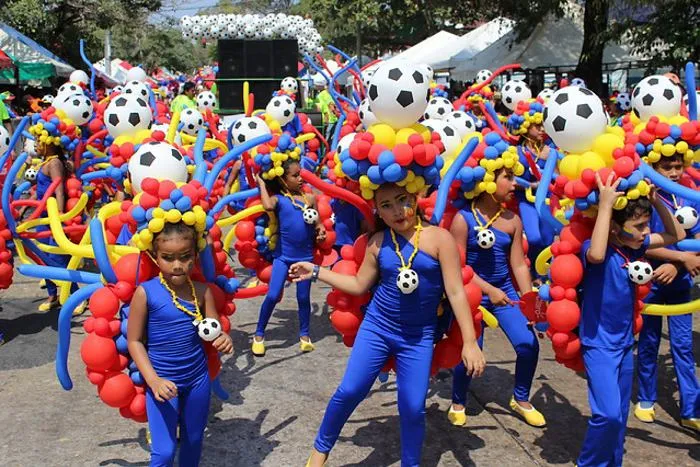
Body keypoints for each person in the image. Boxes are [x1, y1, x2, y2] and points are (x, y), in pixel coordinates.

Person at [290, 183, 485, 467]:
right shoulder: (378, 241)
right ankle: (320, 451)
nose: (397, 210)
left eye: (402, 199)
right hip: (377, 329)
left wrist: (469, 342)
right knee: (350, 391)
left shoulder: (440, 239)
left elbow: (456, 292)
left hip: (418, 338)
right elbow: (358, 285)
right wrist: (317, 271)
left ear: (416, 197)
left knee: (413, 408)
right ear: (377, 210)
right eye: (386, 205)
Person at [576, 173, 684, 467]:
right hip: (598, 345)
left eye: (646, 225)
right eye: (639, 226)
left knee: (620, 418)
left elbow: (677, 237)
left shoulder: (633, 246)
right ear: (613, 228)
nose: (645, 231)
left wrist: (656, 202)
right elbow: (597, 254)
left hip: (624, 345)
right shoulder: (594, 247)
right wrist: (607, 205)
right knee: (607, 414)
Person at [127, 221, 233, 467]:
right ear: (155, 257)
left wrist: (223, 340)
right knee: (164, 452)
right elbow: (134, 341)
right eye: (167, 258)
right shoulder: (146, 293)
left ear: (195, 256)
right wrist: (153, 381)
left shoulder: (203, 291)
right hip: (162, 382)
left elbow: (213, 331)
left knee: (193, 442)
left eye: (185, 257)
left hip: (197, 380)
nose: (177, 265)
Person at [448, 165, 543, 427]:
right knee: (469, 350)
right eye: (508, 178)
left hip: (505, 292)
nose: (515, 184)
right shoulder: (463, 219)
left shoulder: (513, 219)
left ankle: (521, 398)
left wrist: (529, 302)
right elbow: (458, 267)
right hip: (471, 293)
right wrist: (488, 290)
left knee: (528, 345)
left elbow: (520, 265)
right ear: (488, 180)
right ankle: (458, 400)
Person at [634, 153, 700, 432]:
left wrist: (683, 262)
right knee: (648, 343)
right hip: (649, 282)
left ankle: (691, 408)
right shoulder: (643, 197)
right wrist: (679, 258)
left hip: (681, 283)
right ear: (654, 167)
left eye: (677, 167)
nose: (673, 172)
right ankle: (646, 397)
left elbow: (696, 242)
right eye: (666, 167)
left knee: (683, 347)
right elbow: (639, 242)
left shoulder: (690, 197)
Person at [252, 159, 327, 356]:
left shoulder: (310, 199)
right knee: (272, 294)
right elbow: (267, 205)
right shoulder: (279, 199)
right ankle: (259, 334)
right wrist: (261, 183)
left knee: (303, 298)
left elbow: (318, 224)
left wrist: (320, 232)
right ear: (283, 180)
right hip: (283, 258)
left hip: (305, 258)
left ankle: (304, 336)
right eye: (295, 175)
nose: (301, 178)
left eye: (300, 173)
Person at [34, 140, 77, 311]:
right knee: (43, 257)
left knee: (59, 260)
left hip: (52, 218)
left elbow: (58, 191)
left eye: (38, 141)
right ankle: (53, 296)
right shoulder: (46, 162)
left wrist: (58, 217)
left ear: (49, 143)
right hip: (42, 218)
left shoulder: (54, 163)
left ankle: (75, 295)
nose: (35, 145)